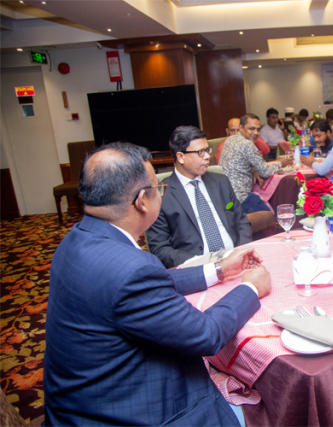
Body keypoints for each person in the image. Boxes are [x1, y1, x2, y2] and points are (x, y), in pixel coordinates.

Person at [44, 141, 273, 426]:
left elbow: (146, 284)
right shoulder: (131, 269)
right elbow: (206, 335)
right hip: (126, 412)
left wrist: (219, 270)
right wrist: (251, 288)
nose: (161, 194)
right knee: (268, 408)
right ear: (142, 200)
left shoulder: (76, 239)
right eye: (158, 188)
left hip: (77, 403)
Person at [146, 126, 252, 269]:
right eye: (200, 152)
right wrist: (204, 262)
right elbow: (160, 249)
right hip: (198, 268)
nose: (207, 156)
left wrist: (241, 252)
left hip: (237, 259)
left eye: (207, 150)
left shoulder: (221, 182)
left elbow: (241, 221)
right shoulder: (161, 195)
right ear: (180, 157)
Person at [220, 114, 293, 213]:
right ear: (241, 127)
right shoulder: (247, 144)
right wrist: (281, 163)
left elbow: (239, 162)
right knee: (270, 215)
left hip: (225, 197)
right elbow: (265, 172)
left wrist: (253, 170)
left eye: (258, 129)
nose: (256, 133)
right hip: (240, 198)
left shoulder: (230, 139)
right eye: (251, 129)